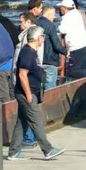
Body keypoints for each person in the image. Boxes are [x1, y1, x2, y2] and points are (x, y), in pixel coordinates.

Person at [10, 30, 62, 161]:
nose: (43, 39)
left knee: (22, 122)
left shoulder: (32, 52)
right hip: (26, 93)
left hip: (32, 91)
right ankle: (47, 150)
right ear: (38, 38)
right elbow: (22, 75)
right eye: (42, 36)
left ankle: (13, 152)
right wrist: (28, 94)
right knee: (36, 120)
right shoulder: (27, 53)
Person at [56, 0, 86, 79]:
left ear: (64, 8)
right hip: (85, 45)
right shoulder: (77, 13)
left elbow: (62, 29)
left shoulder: (67, 17)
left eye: (61, 7)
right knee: (84, 67)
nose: (60, 9)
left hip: (76, 48)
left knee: (72, 71)